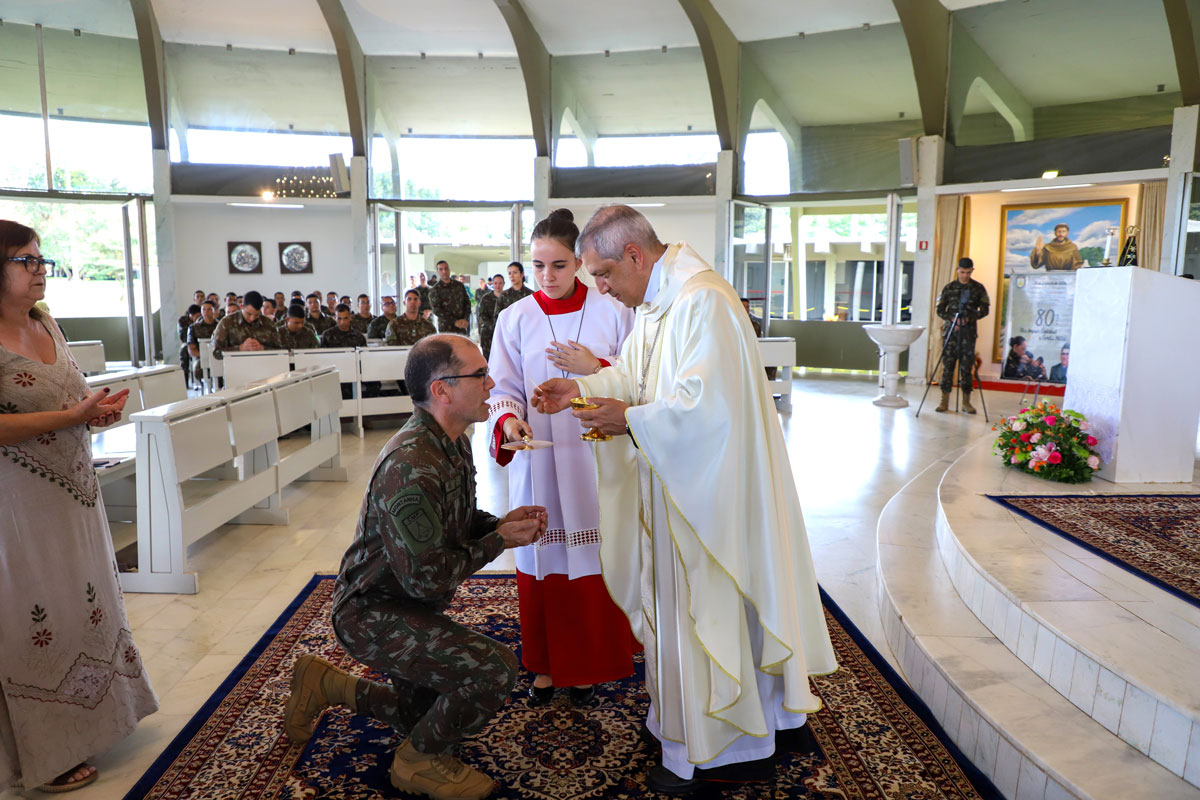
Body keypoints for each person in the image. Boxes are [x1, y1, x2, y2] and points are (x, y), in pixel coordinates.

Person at [531, 205, 836, 794]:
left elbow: (707, 409)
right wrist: (586, 388)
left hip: (709, 498)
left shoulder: (703, 301)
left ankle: (724, 748)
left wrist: (633, 419)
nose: (600, 288)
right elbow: (641, 379)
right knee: (704, 614)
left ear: (636, 257)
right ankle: (763, 721)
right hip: (682, 485)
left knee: (710, 610)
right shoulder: (655, 302)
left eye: (603, 275)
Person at [285, 334, 546, 800]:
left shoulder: (450, 441)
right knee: (492, 671)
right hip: (373, 612)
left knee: (425, 713)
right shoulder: (412, 464)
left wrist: (497, 523)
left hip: (407, 604)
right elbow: (426, 577)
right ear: (442, 390)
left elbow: (458, 519)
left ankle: (324, 683)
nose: (491, 384)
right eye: (479, 375)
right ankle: (417, 763)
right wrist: (497, 541)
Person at [0, 220, 158, 793]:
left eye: (43, 259)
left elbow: (67, 393)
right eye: (27, 260)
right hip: (17, 501)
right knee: (33, 608)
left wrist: (92, 411)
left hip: (72, 488)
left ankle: (101, 715)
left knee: (82, 597)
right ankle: (44, 751)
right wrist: (70, 417)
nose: (41, 270)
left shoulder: (45, 320)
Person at [486, 208, 638, 708]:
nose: (547, 277)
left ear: (579, 262)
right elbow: (501, 388)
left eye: (558, 265)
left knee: (593, 555)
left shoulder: (612, 310)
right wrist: (509, 421)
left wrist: (593, 367)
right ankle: (547, 663)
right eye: (537, 266)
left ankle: (592, 663)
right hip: (541, 458)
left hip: (596, 455)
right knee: (543, 556)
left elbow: (640, 373)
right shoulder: (514, 318)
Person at [934, 257, 989, 414]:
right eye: (962, 272)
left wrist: (968, 319)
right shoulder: (949, 288)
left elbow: (985, 310)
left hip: (968, 333)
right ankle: (944, 401)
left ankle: (966, 402)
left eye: (968, 272)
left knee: (966, 368)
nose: (965, 275)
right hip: (951, 332)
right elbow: (939, 309)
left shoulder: (978, 288)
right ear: (957, 270)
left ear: (972, 271)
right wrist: (951, 320)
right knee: (948, 367)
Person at [213, 290, 282, 359]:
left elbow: (281, 351)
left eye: (257, 315)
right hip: (235, 366)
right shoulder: (227, 322)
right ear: (242, 306)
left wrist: (262, 348)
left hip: (264, 365)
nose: (252, 318)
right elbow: (217, 353)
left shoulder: (268, 323)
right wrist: (240, 348)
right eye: (249, 314)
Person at [429, 261, 472, 335]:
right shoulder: (435, 290)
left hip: (461, 327)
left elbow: (467, 302)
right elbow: (437, 310)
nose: (444, 271)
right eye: (441, 269)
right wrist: (455, 321)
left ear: (449, 270)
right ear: (438, 272)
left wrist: (464, 319)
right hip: (446, 328)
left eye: (446, 268)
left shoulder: (459, 286)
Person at [186, 301, 219, 383]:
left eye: (209, 309)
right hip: (201, 357)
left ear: (214, 311)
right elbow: (191, 349)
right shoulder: (193, 328)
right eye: (203, 309)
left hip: (218, 356)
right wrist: (206, 355)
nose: (206, 312)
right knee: (199, 368)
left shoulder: (220, 326)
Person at [477, 274, 505, 359]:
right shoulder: (486, 298)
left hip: (504, 334)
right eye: (495, 283)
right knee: (488, 359)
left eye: (500, 283)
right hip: (488, 334)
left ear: (504, 284)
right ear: (492, 284)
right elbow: (482, 315)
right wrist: (494, 326)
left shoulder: (507, 297)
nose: (498, 286)